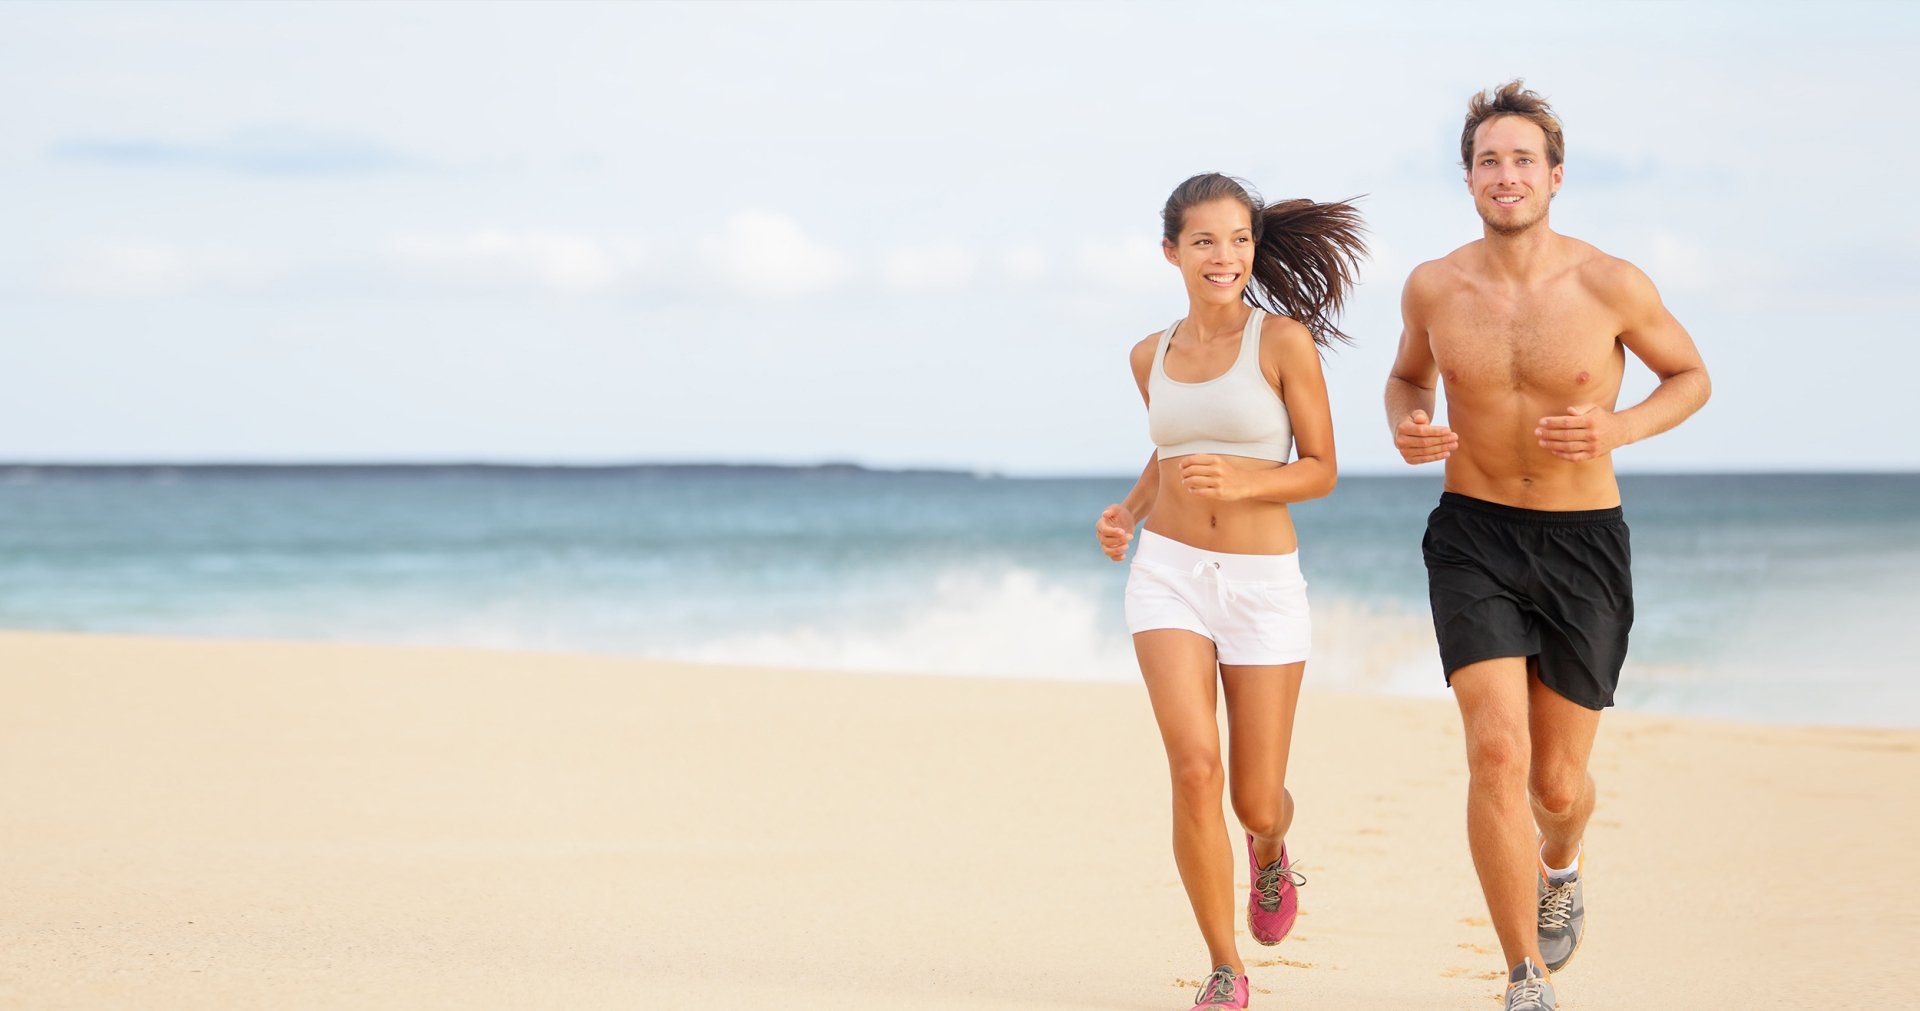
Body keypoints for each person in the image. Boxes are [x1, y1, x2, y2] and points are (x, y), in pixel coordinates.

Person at [1384, 81, 1711, 1011]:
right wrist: (1410, 421)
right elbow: (1406, 378)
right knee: (1495, 753)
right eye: (1489, 159)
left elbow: (1691, 376)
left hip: (1582, 543)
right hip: (1472, 533)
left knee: (1557, 785)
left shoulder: (1609, 282)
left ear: (1555, 176)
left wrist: (1620, 428)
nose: (1506, 174)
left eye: (1523, 158)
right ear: (1469, 179)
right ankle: (1523, 976)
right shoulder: (1435, 285)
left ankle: (1560, 863)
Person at [1095, 173, 1364, 1011]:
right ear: (1171, 251)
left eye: (1239, 239)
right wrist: (1130, 511)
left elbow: (1320, 469)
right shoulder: (1150, 354)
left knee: (1254, 795)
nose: (1226, 256)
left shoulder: (1281, 342)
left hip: (1261, 585)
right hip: (1168, 574)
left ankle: (1272, 847)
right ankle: (1224, 964)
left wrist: (1244, 485)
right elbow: (1171, 449)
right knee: (1192, 768)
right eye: (1206, 241)